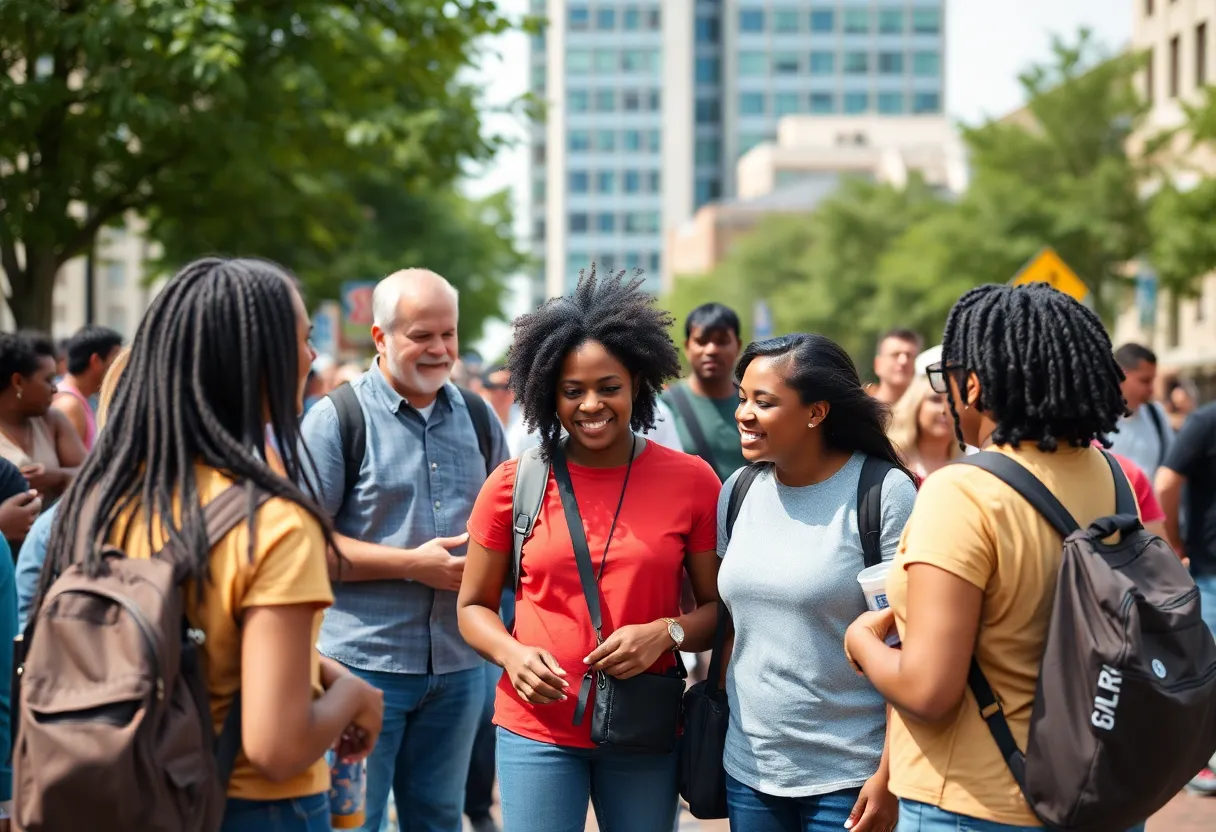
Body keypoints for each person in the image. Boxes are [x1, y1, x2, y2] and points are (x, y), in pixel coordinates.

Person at [37, 257, 385, 831]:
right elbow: (278, 747)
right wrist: (355, 700)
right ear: (256, 363)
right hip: (253, 808)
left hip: (125, 795)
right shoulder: (272, 523)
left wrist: (325, 673)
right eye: (302, 339)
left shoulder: (101, 501)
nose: (312, 357)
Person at [845, 283, 1130, 831]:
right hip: (1096, 785)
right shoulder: (1111, 477)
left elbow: (929, 692)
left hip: (980, 799)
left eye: (943, 379)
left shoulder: (962, 491)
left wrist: (860, 641)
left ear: (971, 384)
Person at [457, 268, 722, 832]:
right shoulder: (512, 483)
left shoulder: (693, 481)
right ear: (547, 394)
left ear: (638, 385)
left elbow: (719, 611)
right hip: (537, 729)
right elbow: (472, 607)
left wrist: (665, 632)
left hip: (645, 728)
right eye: (572, 391)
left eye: (609, 387)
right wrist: (511, 654)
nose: (591, 404)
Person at [300, 268, 510, 832]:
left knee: (440, 818)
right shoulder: (334, 420)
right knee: (352, 822)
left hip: (461, 666)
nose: (439, 349)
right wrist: (413, 565)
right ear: (380, 338)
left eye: (449, 334)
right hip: (361, 667)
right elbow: (302, 550)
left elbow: (510, 524)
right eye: (421, 335)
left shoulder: (478, 416)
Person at [720, 333, 914, 832]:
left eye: (764, 402)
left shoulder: (883, 492)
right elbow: (731, 629)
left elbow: (909, 643)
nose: (744, 413)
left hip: (852, 776)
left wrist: (889, 774)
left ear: (816, 413)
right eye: (742, 397)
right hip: (750, 771)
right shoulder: (738, 491)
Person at [1154, 398, 1216, 796]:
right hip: (1210, 569)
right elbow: (1166, 483)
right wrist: (1174, 543)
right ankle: (1198, 763)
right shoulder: (1206, 420)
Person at [662, 302, 746, 481]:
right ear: (687, 347)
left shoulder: (756, 406)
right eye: (701, 341)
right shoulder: (662, 406)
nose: (711, 350)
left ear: (738, 346)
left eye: (722, 341)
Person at [0, 333, 86, 503]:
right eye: (48, 380)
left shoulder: (53, 421)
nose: (55, 389)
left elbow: (95, 474)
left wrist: (58, 476)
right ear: (18, 381)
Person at [50, 325, 123, 452]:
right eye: (115, 362)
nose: (119, 371)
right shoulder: (70, 405)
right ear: (95, 361)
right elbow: (71, 464)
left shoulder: (80, 399)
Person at [1108, 343, 1172, 480]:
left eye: (1152, 380)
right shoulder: (1095, 420)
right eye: (1145, 381)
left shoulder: (1156, 415)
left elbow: (1170, 464)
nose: (1151, 389)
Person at [887, 375, 966, 480]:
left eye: (952, 401)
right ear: (915, 406)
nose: (945, 409)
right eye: (936, 399)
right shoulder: (893, 462)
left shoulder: (971, 466)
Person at [869, 329, 923, 407]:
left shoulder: (927, 412)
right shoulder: (860, 410)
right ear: (877, 364)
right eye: (895, 355)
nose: (903, 361)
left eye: (909, 355)